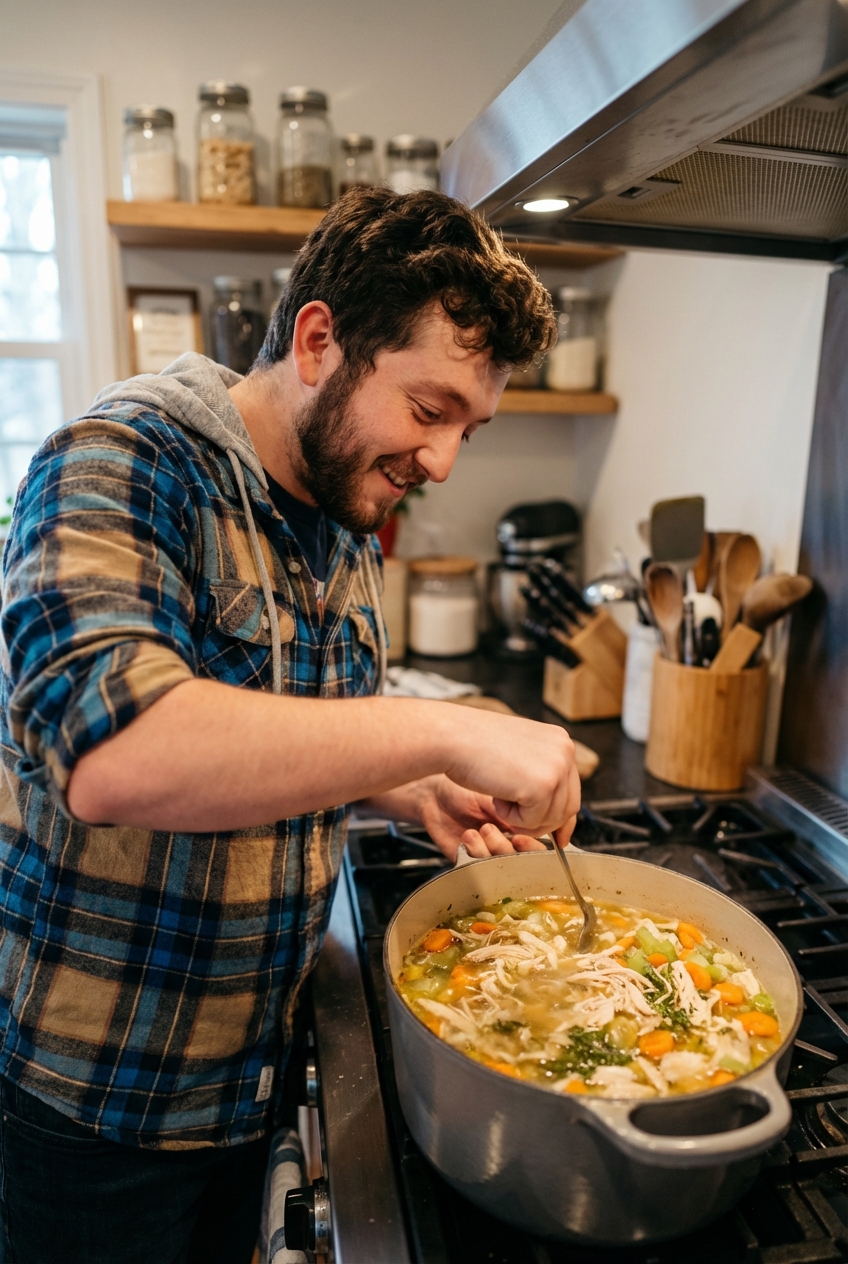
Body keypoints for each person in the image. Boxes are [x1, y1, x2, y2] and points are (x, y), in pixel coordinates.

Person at [0, 187, 578, 1262]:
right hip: (100, 1105)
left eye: (467, 426)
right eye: (428, 407)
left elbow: (288, 736)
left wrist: (407, 789)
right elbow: (115, 753)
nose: (442, 460)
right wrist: (438, 735)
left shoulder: (340, 493)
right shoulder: (118, 462)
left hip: (254, 1072)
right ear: (319, 341)